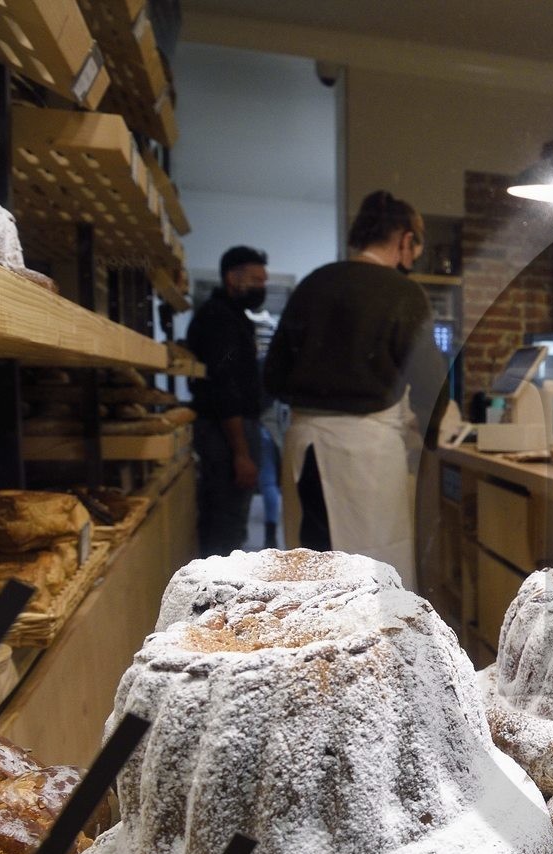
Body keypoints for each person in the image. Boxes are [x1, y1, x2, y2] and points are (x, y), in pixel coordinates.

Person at [264, 190, 443, 588]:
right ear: (404, 239)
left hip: (305, 449)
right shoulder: (403, 293)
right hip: (368, 454)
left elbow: (273, 375)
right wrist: (432, 438)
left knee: (313, 569)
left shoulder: (314, 284)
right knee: (373, 572)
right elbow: (430, 380)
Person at [187, 245, 268, 557]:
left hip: (230, 431)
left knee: (229, 520)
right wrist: (241, 453)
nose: (261, 287)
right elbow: (224, 388)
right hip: (226, 434)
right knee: (226, 523)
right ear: (232, 278)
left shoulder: (233, 317)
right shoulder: (219, 319)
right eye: (256, 280)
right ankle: (218, 586)